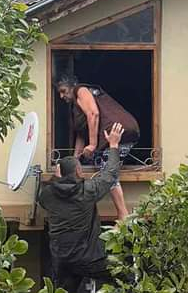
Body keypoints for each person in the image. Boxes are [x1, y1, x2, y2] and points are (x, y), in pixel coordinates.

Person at [38, 122, 125, 293]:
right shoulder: (86, 191)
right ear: (78, 172)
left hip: (63, 261)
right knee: (126, 276)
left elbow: (43, 195)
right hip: (90, 259)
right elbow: (110, 174)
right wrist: (114, 145)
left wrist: (58, 178)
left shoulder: (48, 196)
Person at [56, 75, 140, 222]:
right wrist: (75, 160)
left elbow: (93, 114)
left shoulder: (80, 90)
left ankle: (123, 214)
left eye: (63, 91)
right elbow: (81, 134)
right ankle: (123, 213)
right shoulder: (76, 107)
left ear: (71, 86)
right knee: (102, 164)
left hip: (118, 131)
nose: (61, 96)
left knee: (107, 169)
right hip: (121, 132)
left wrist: (93, 145)